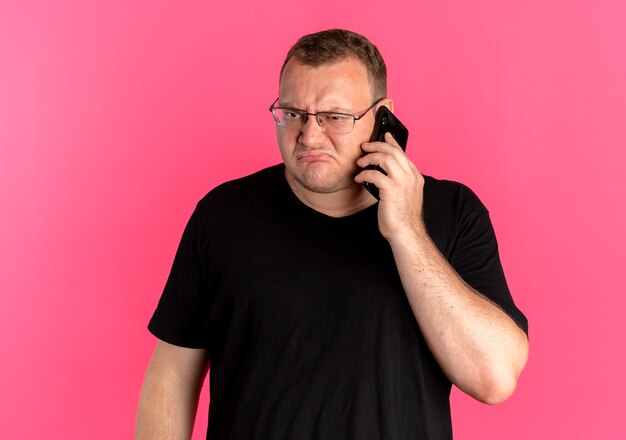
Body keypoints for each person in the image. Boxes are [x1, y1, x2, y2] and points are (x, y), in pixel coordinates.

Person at [136, 29, 529, 439]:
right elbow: (172, 377)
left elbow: (494, 378)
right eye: (292, 113)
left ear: (383, 116)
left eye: (334, 117)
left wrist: (407, 231)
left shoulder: (453, 212)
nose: (309, 135)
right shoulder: (222, 216)